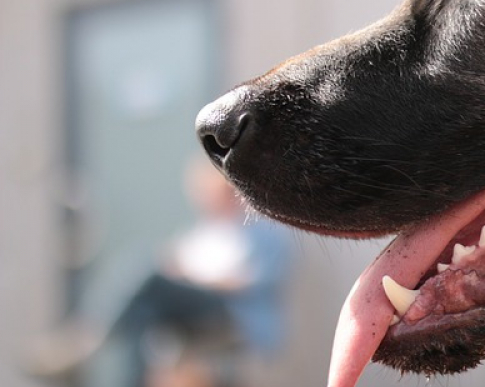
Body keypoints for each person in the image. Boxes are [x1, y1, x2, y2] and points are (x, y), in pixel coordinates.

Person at [27, 159, 291, 387]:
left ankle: (86, 340)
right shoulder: (201, 235)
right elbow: (172, 262)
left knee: (148, 275)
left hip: (232, 314)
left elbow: (252, 280)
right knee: (144, 316)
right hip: (187, 312)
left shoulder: (262, 231)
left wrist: (195, 279)